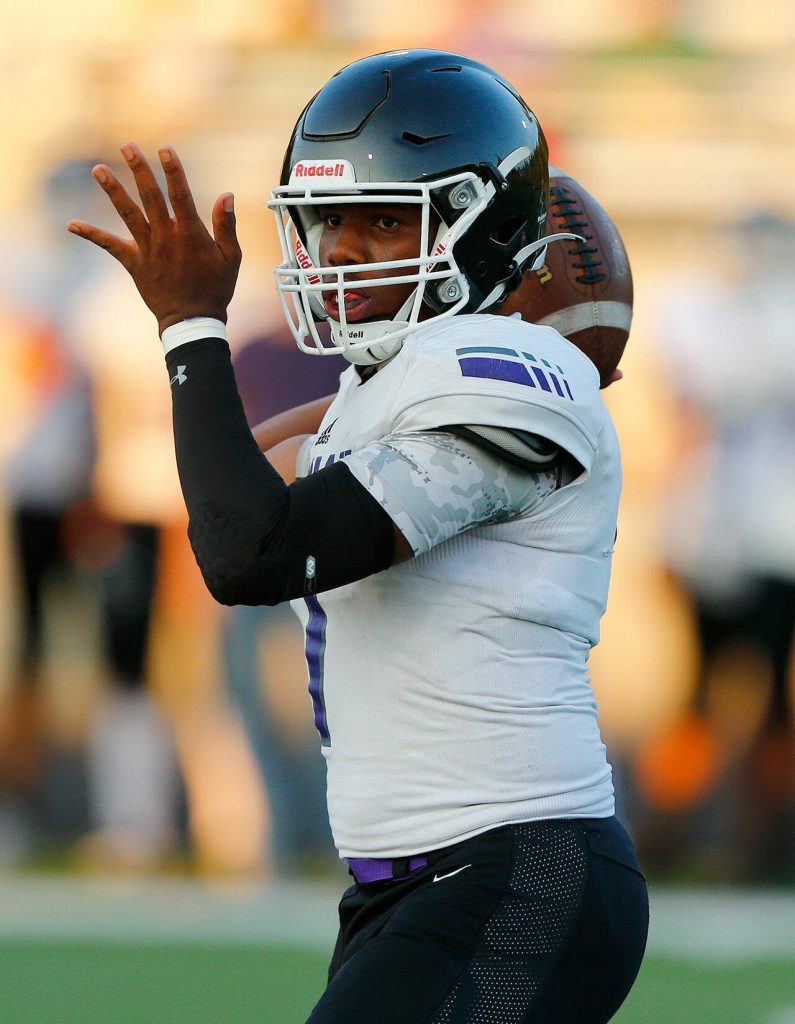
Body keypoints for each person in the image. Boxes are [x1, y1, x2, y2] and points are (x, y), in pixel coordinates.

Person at [68, 49, 648, 1024]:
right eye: (329, 218)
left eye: (384, 218)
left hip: (517, 873)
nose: (341, 249)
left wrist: (189, 330)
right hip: (414, 885)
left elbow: (250, 552)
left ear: (483, 224)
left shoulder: (510, 372)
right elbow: (234, 488)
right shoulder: (392, 386)